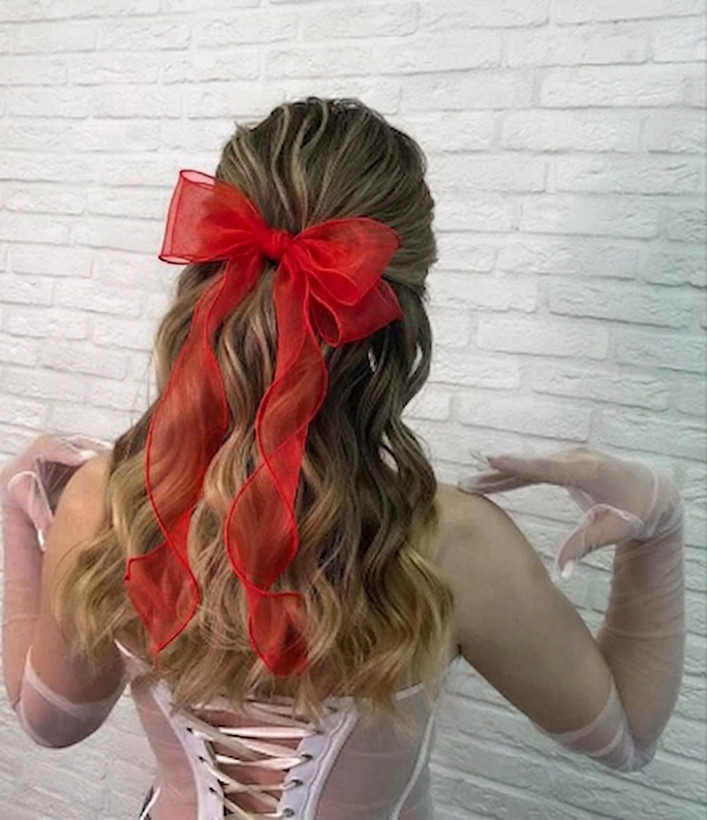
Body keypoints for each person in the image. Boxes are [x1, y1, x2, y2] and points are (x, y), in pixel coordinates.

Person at [0, 97, 686, 820]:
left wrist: (17, 511)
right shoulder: (455, 541)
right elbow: (627, 738)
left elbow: (51, 725)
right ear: (400, 310)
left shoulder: (111, 501)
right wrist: (658, 523)